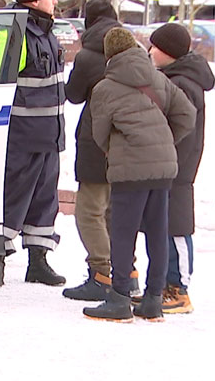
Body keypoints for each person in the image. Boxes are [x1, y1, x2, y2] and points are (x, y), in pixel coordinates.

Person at [83, 28, 195, 322]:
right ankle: (153, 300)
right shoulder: (158, 78)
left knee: (123, 233)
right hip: (163, 166)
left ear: (109, 55)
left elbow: (100, 132)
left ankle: (119, 299)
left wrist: (115, 149)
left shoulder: (105, 88)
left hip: (130, 169)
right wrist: (164, 141)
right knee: (158, 232)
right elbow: (187, 114)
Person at [0, 0, 67, 288]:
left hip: (49, 135)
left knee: (44, 202)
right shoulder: (15, 31)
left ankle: (38, 261)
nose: (56, 2)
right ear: (34, 0)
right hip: (21, 135)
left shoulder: (45, 32)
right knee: (12, 200)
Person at [148, 23, 214, 314]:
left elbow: (180, 128)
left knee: (177, 228)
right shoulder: (173, 78)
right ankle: (165, 285)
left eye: (155, 48)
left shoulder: (184, 84)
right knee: (164, 225)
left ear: (170, 53)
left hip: (178, 167)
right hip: (169, 163)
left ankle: (179, 289)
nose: (150, 52)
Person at [62, 0, 125, 301]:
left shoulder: (88, 56)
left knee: (88, 211)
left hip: (95, 139)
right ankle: (127, 272)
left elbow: (73, 95)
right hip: (129, 141)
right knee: (116, 210)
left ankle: (101, 273)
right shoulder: (134, 50)